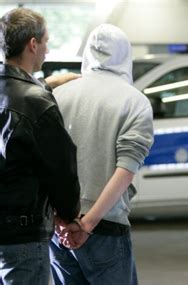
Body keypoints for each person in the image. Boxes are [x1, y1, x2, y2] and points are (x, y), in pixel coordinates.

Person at [48, 24, 154, 285]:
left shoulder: (57, 95)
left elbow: (44, 163)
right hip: (105, 227)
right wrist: (87, 225)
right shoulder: (134, 101)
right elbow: (125, 170)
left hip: (59, 228)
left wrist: (60, 220)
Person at [0, 7, 81, 285]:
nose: (47, 49)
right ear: (32, 44)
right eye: (46, 42)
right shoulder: (37, 102)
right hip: (21, 237)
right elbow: (61, 167)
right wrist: (69, 215)